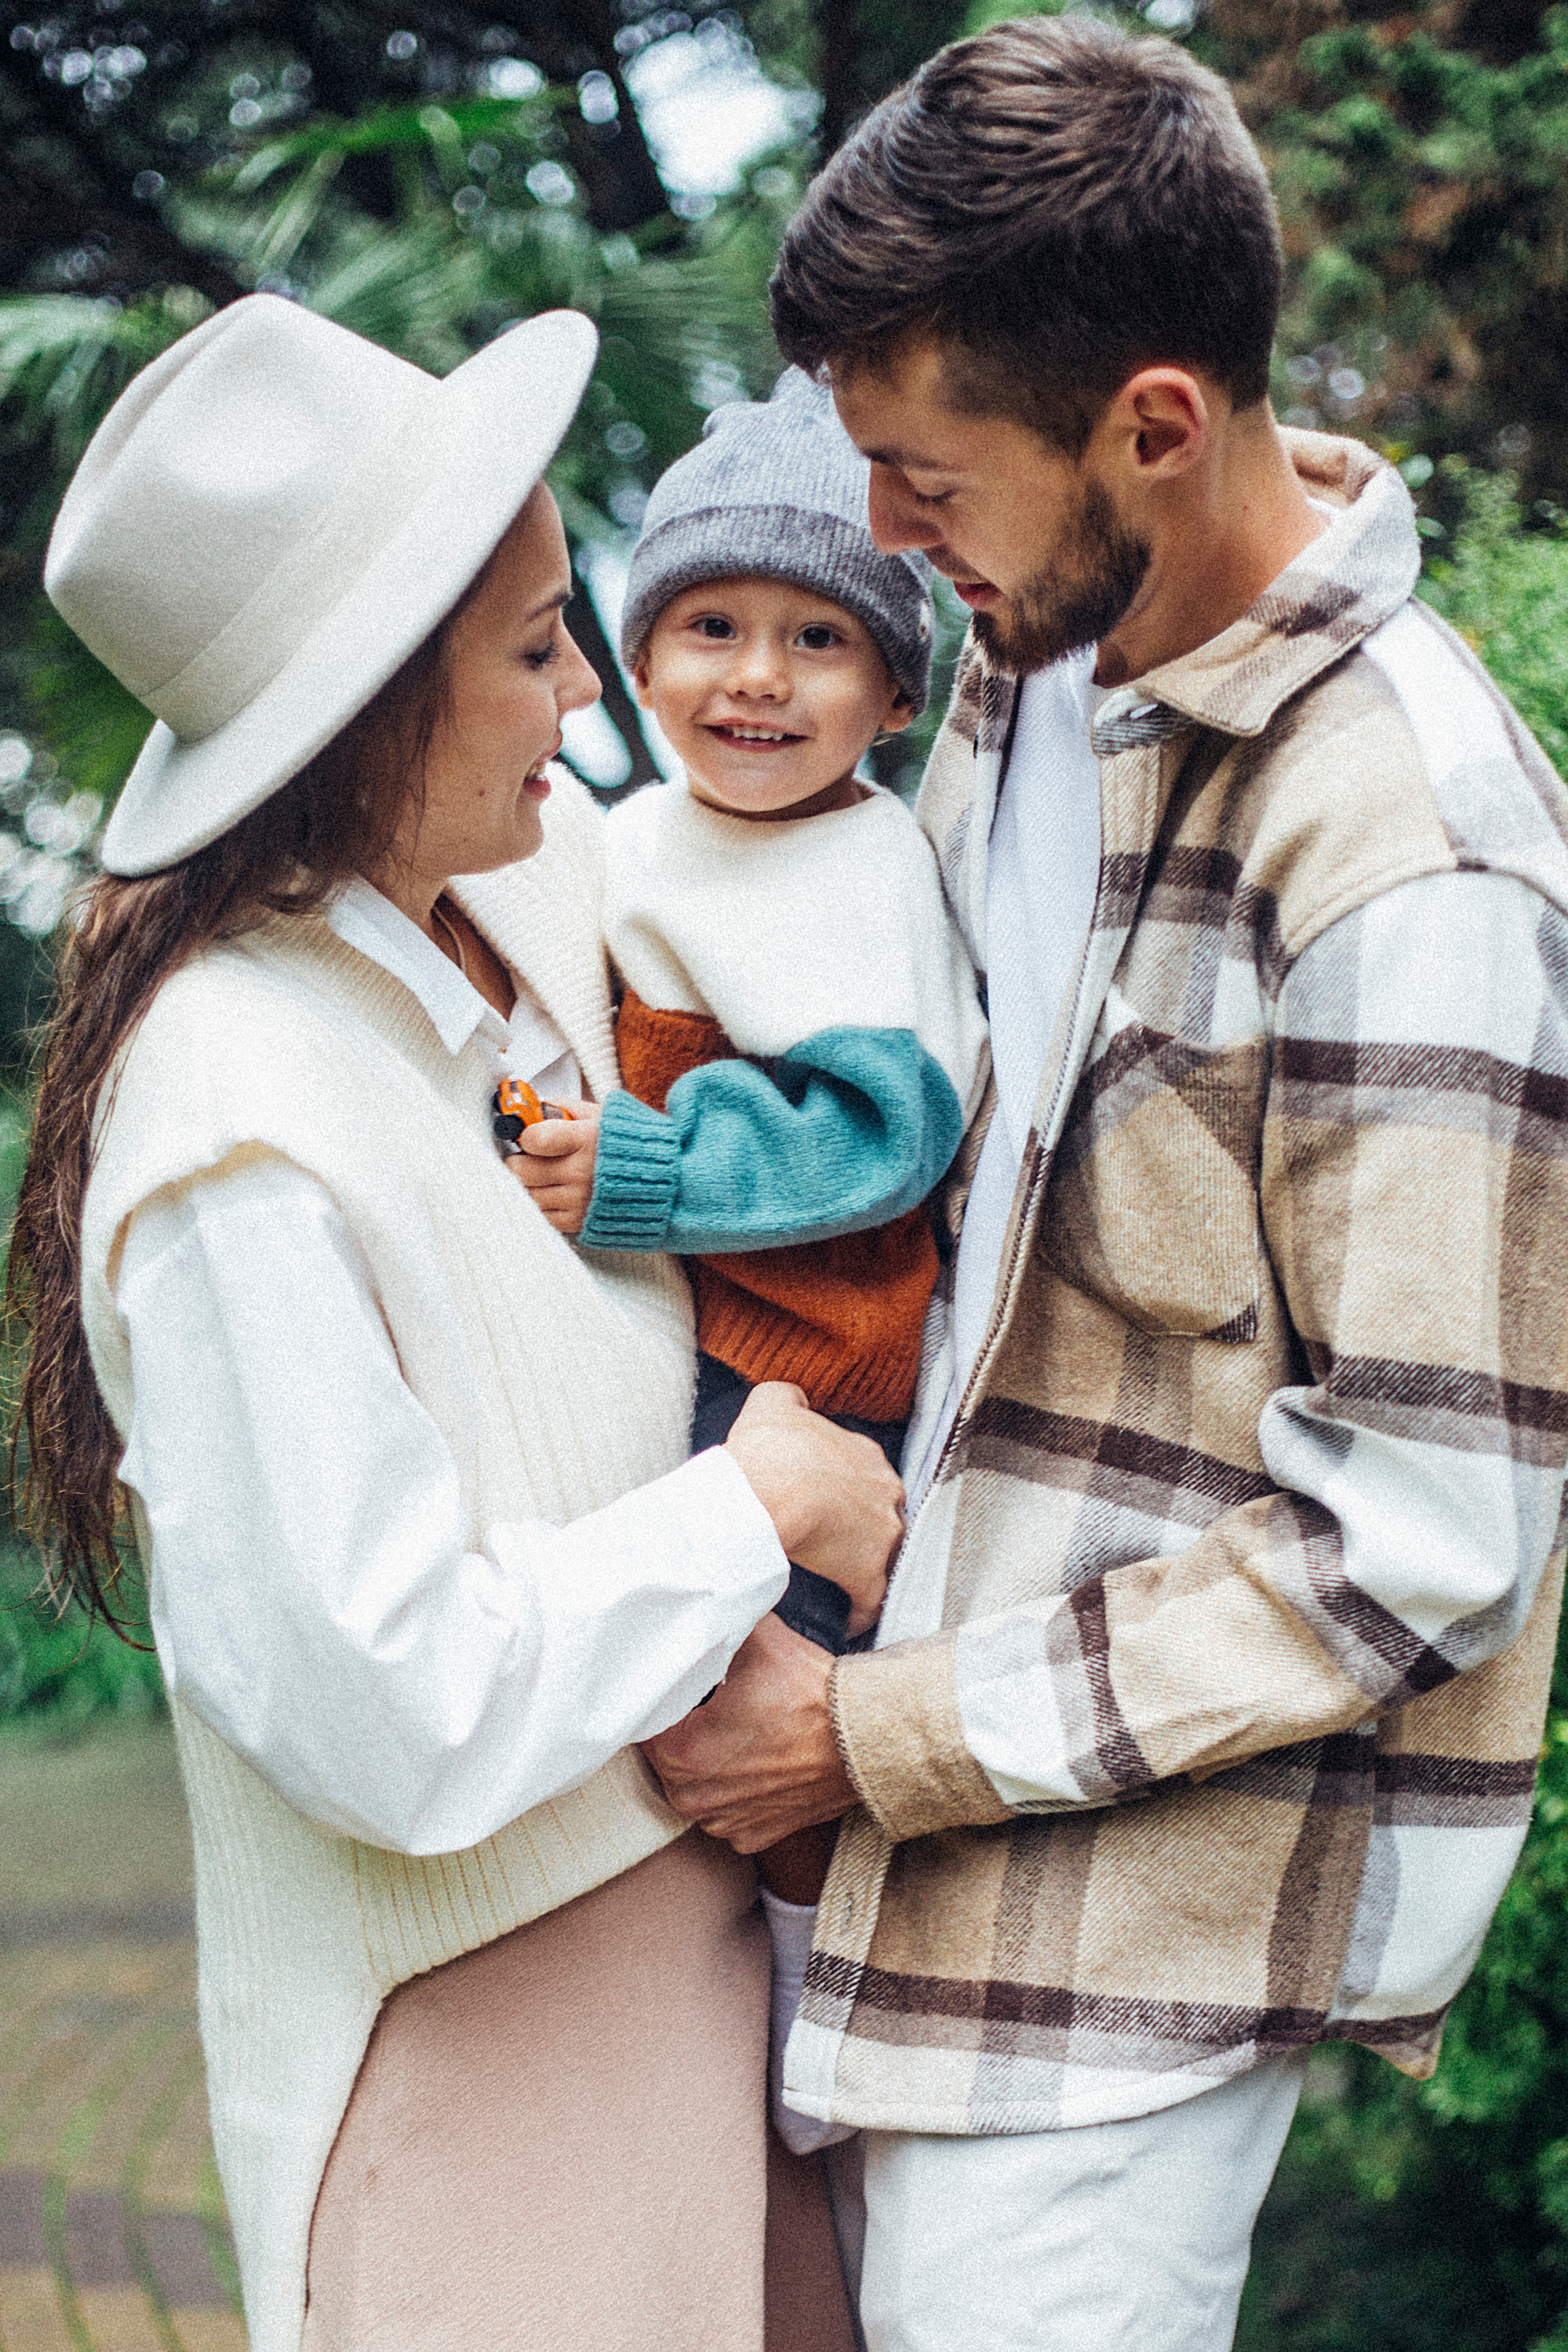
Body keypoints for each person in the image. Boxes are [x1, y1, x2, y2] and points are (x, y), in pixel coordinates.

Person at [643, 18, 1568, 2350]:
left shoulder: (1414, 850)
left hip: (1114, 1981)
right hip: (850, 1874)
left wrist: (863, 1734)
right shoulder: (1023, 677)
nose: (878, 538)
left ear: (1153, 423)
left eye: (923, 477)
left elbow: (1426, 1531)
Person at [14, 292, 896, 2352]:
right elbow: (377, 1706)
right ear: (364, 717)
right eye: (530, 651)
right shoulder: (236, 1117)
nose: (592, 695)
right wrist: (751, 1507)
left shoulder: (529, 896)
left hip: (703, 1981)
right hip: (486, 2053)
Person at [505, 367, 987, 2136]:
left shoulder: (861, 871)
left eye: (819, 640)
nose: (757, 678)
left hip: (813, 1360)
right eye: (709, 624)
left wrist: (645, 1172)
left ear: (890, 688)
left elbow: (883, 1131)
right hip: (701, 1349)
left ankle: (814, 2018)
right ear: (642, 653)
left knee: (770, 1704)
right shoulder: (636, 838)